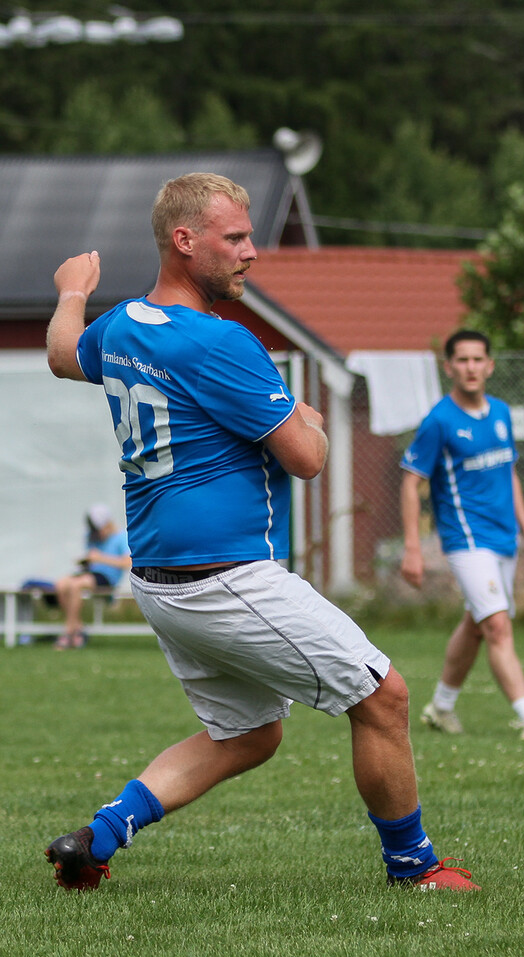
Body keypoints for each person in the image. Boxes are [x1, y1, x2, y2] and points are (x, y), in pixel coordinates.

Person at [43, 172, 478, 893]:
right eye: (236, 238)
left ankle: (99, 837)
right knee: (384, 697)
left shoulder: (121, 325)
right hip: (221, 577)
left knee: (249, 734)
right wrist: (306, 419)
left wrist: (70, 292)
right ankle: (415, 869)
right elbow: (307, 459)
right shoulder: (220, 341)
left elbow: (64, 355)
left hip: (159, 580)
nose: (251, 252)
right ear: (185, 241)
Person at [400, 329, 524, 740]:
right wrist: (413, 548)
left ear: (490, 365)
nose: (470, 367)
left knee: (477, 624)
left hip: (504, 539)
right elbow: (411, 482)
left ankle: (441, 707)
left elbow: (509, 473)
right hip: (465, 540)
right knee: (497, 625)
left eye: (478, 359)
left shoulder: (500, 413)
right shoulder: (439, 421)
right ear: (449, 367)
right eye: (462, 360)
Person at [53, 503, 131, 650]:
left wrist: (100, 558)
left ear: (107, 524)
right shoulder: (91, 537)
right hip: (89, 574)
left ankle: (68, 632)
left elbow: (128, 562)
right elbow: (92, 561)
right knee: (61, 583)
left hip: (107, 578)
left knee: (76, 585)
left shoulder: (121, 537)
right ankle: (78, 629)